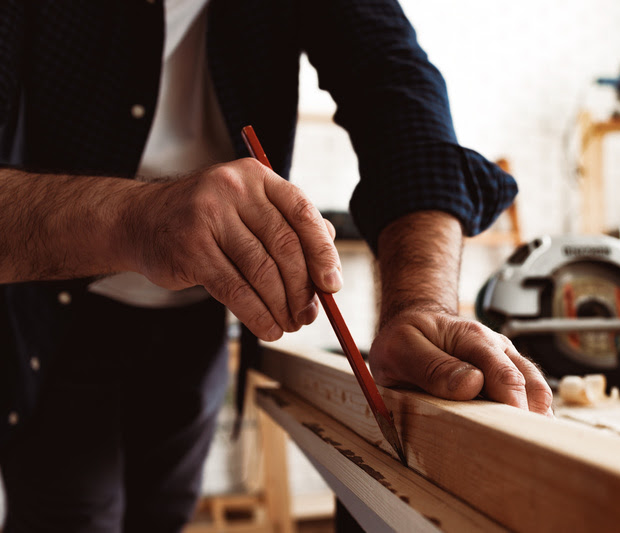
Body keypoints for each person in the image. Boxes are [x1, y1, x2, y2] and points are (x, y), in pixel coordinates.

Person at [0, 0, 553, 531]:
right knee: (71, 517)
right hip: (50, 318)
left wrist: (422, 303)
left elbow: (398, 95)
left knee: (165, 511)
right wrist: (135, 219)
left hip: (198, 317)